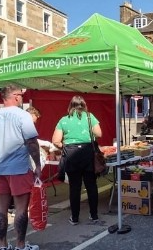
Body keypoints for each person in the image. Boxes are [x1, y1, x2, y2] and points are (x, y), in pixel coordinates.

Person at [0, 84, 41, 250]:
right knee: (21, 208)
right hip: (18, 167)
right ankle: (20, 245)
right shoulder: (23, 116)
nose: (22, 98)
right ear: (16, 96)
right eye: (21, 95)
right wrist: (37, 164)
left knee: (1, 207)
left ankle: (3, 245)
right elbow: (32, 142)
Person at [51, 95, 103, 225]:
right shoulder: (90, 117)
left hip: (71, 154)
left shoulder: (64, 120)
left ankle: (74, 218)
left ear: (70, 105)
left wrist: (65, 145)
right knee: (91, 186)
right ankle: (94, 215)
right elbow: (99, 134)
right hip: (87, 153)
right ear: (84, 105)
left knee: (75, 188)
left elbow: (55, 141)